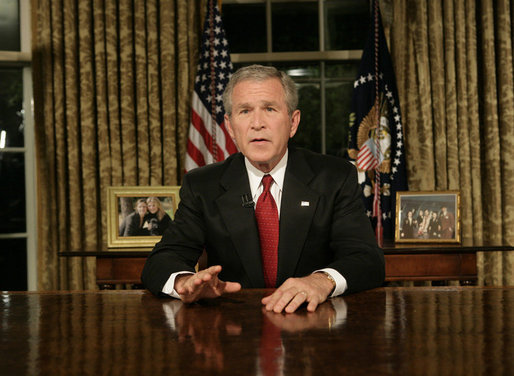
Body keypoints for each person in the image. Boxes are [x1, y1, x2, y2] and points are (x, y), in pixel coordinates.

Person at [141, 64, 384, 313]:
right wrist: (184, 283)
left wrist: (322, 281)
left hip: (312, 328)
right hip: (234, 327)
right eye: (245, 111)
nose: (257, 123)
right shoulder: (203, 186)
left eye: (269, 109)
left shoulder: (333, 177)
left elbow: (367, 259)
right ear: (230, 127)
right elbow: (161, 261)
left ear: (293, 122)